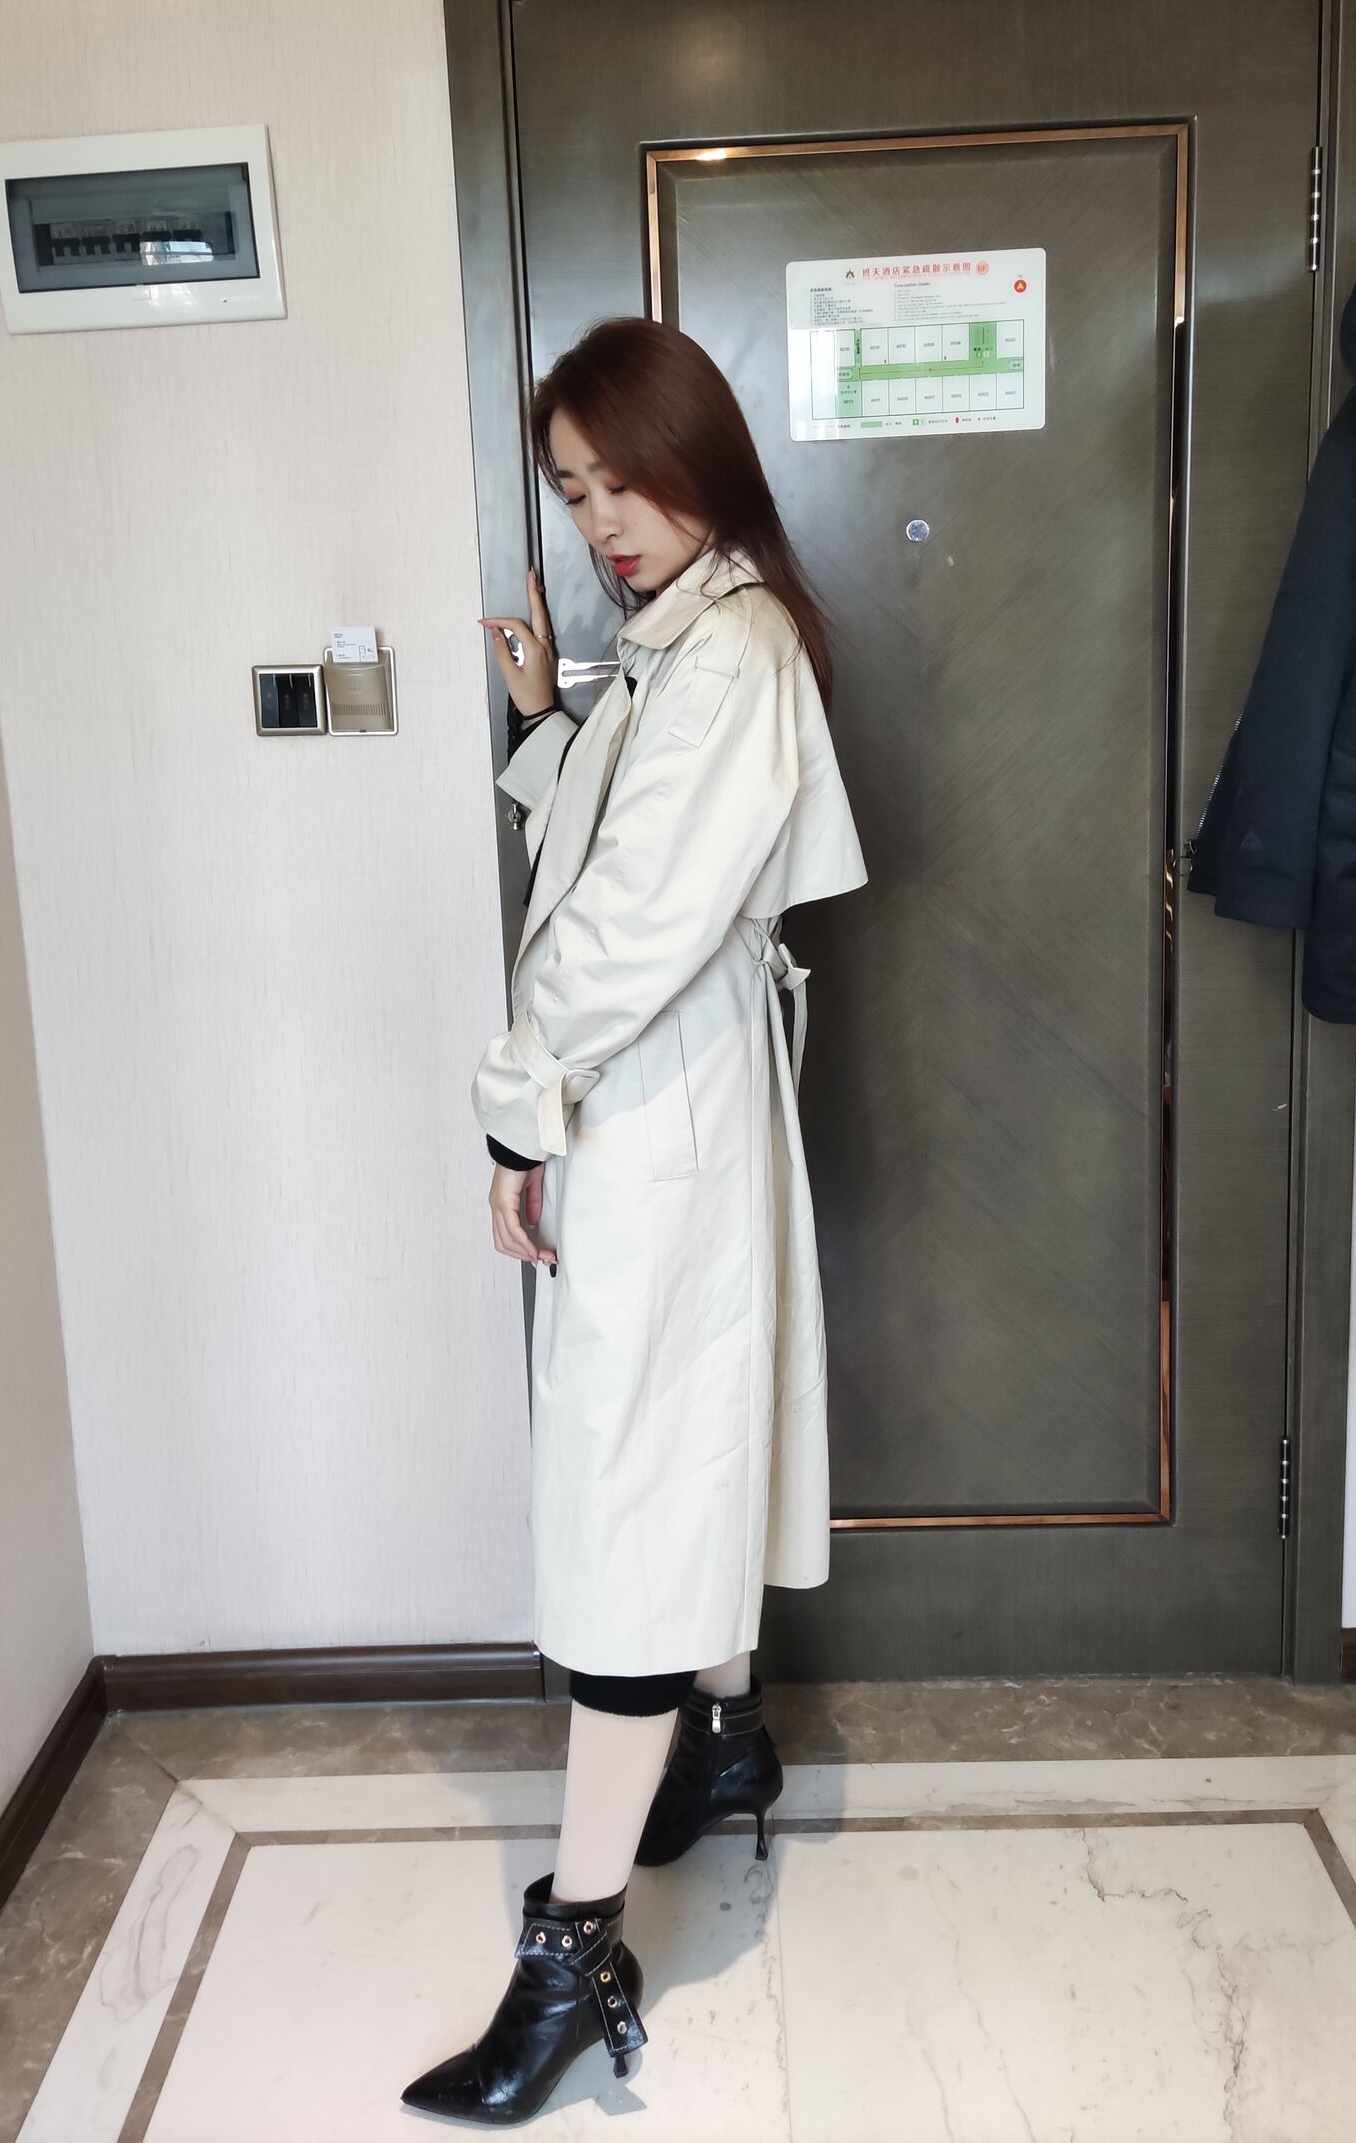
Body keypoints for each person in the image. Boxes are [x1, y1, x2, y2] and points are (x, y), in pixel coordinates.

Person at [400, 318, 866, 2125]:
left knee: (631, 1491)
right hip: (662, 1088)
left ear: (703, 462)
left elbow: (628, 922)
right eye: (572, 487)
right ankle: (724, 1740)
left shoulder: (728, 648)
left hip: (655, 1093)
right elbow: (623, 851)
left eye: (622, 479)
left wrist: (512, 1102)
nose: (599, 519)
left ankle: (577, 1949)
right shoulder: (682, 635)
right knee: (684, 1434)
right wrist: (544, 717)